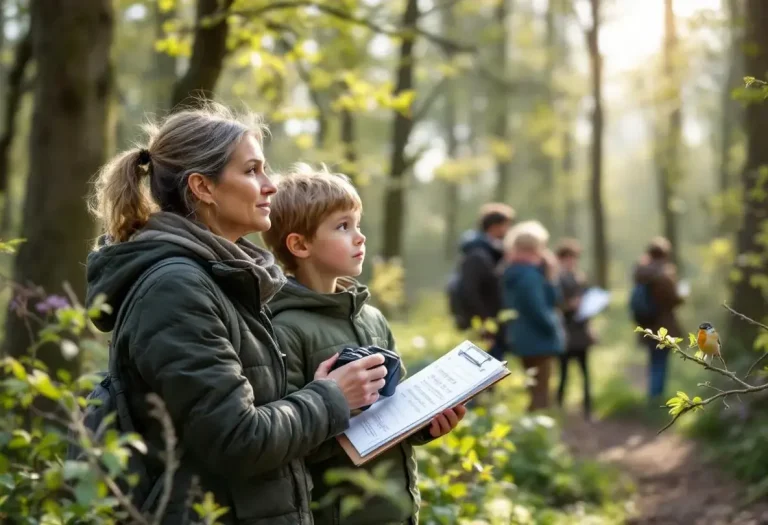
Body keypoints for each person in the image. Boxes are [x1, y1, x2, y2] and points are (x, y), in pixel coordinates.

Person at [86, 104, 389, 524]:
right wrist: (332, 396)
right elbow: (236, 438)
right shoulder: (176, 289)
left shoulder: (228, 278)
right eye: (251, 171)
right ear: (203, 187)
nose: (270, 186)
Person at [262, 164, 466, 525]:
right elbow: (289, 443)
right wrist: (339, 405)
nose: (360, 237)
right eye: (343, 226)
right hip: (340, 513)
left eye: (357, 224)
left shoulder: (371, 318)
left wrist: (424, 425)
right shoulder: (285, 329)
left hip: (398, 508)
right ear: (300, 244)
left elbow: (393, 407)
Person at [501, 220, 565, 412]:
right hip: (539, 340)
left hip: (522, 338)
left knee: (534, 389)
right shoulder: (529, 276)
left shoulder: (513, 272)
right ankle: (538, 428)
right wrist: (553, 327)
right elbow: (540, 308)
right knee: (540, 394)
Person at [448, 203, 515, 358]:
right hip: (483, 329)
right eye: (506, 225)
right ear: (495, 226)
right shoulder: (477, 255)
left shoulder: (492, 252)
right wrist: (483, 322)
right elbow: (469, 291)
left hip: (492, 326)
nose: (508, 230)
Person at [632, 236, 684, 401]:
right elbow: (674, 299)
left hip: (647, 325)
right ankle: (656, 398)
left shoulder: (642, 272)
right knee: (661, 363)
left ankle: (652, 396)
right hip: (663, 326)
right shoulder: (664, 275)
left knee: (653, 361)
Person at [554, 239, 595, 420]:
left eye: (574, 258)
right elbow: (555, 305)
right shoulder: (556, 279)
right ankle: (558, 410)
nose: (571, 261)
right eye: (568, 258)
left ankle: (588, 409)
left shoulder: (580, 277)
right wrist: (568, 305)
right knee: (563, 374)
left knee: (585, 373)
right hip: (565, 333)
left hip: (581, 332)